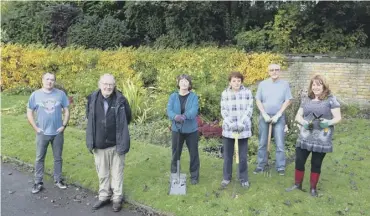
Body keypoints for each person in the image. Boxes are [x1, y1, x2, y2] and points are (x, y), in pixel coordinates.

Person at [286, 74, 341, 196]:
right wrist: (303, 122)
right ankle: (297, 184)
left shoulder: (331, 99)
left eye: (319, 84)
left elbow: (338, 118)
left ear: (324, 86)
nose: (316, 87)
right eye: (314, 85)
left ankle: (313, 189)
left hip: (322, 138)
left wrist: (328, 122)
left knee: (316, 163)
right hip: (305, 136)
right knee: (299, 160)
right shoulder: (306, 99)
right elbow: (298, 116)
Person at [86, 74, 132, 212]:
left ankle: (117, 198)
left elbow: (128, 118)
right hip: (99, 143)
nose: (108, 87)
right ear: (100, 84)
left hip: (117, 143)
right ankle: (104, 196)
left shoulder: (121, 100)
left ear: (114, 85)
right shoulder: (92, 98)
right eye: (105, 84)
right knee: (102, 172)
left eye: (110, 84)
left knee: (117, 172)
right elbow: (89, 117)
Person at [27, 72, 70, 194]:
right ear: (42, 80)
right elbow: (29, 112)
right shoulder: (35, 95)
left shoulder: (60, 94)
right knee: (39, 158)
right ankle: (38, 182)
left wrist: (64, 125)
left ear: (54, 81)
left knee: (58, 158)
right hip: (42, 133)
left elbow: (66, 110)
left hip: (57, 133)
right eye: (47, 79)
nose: (49, 81)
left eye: (52, 79)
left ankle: (58, 180)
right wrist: (35, 128)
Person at [254, 64, 293, 176]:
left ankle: (280, 167)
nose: (274, 72)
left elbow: (288, 100)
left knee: (280, 143)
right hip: (264, 117)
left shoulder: (284, 85)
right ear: (268, 72)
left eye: (276, 70)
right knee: (262, 142)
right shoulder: (263, 84)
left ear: (280, 71)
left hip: (279, 118)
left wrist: (279, 114)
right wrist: (264, 114)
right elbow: (258, 100)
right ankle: (260, 165)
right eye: (272, 70)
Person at [220, 72, 253, 188]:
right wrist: (231, 124)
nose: (236, 83)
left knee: (242, 156)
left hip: (243, 129)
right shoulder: (225, 93)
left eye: (239, 80)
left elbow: (250, 109)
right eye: (234, 81)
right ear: (230, 82)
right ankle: (226, 177)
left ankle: (243, 178)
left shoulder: (247, 92)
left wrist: (240, 123)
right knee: (228, 155)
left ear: (241, 81)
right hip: (229, 130)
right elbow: (223, 110)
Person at [167, 74, 200, 185]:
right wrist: (175, 117)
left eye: (186, 81)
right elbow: (169, 110)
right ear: (178, 83)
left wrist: (185, 116)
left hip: (191, 131)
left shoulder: (194, 97)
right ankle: (175, 174)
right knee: (176, 153)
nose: (184, 83)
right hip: (177, 130)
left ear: (189, 84)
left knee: (194, 153)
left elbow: (194, 110)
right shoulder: (173, 96)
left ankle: (194, 176)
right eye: (182, 81)